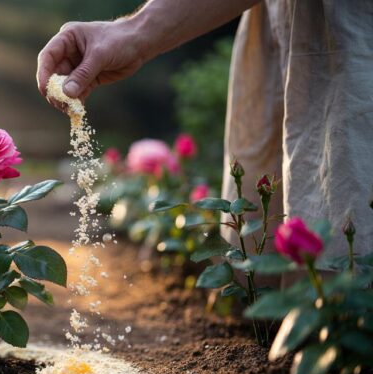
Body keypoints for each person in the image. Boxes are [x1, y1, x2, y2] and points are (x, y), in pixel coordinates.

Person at [37, 0, 373, 259]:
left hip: (346, 39)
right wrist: (134, 32)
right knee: (263, 275)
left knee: (342, 258)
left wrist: (136, 31)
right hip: (288, 26)